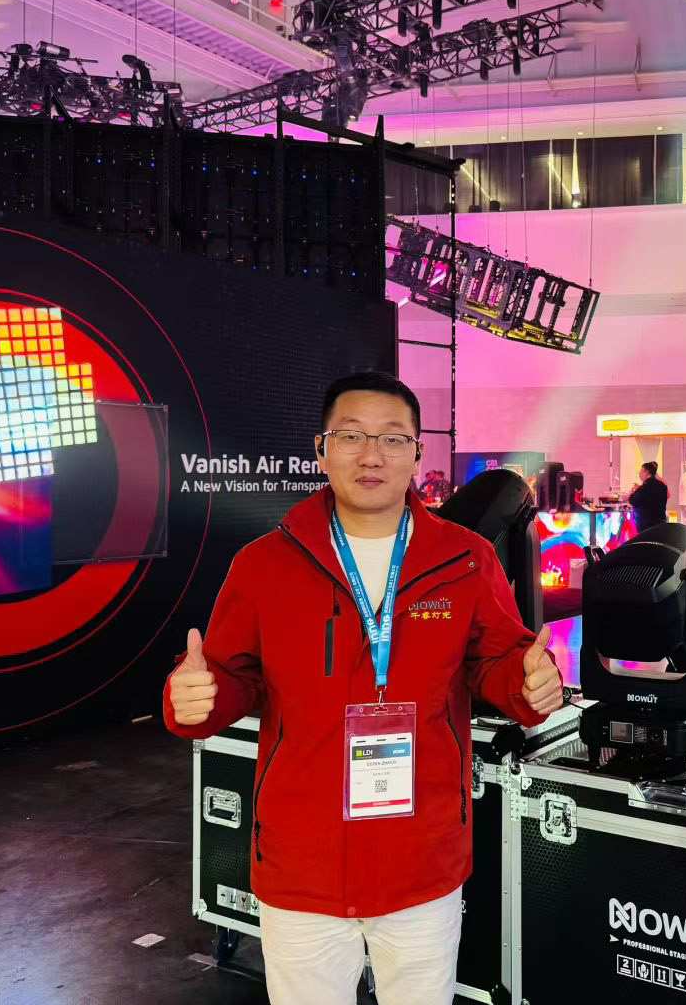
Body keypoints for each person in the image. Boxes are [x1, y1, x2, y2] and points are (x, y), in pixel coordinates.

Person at [163, 371, 562, 1005]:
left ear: (417, 455)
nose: (371, 455)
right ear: (321, 451)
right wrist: (196, 699)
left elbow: (496, 662)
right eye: (351, 436)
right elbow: (233, 677)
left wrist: (529, 684)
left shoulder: (465, 559)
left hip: (421, 856)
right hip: (302, 862)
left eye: (392, 438)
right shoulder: (264, 565)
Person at [628, 461, 669, 531]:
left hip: (646, 526)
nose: (639, 474)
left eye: (641, 471)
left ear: (646, 472)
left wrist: (633, 492)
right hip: (661, 524)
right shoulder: (662, 485)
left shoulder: (645, 487)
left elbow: (633, 501)